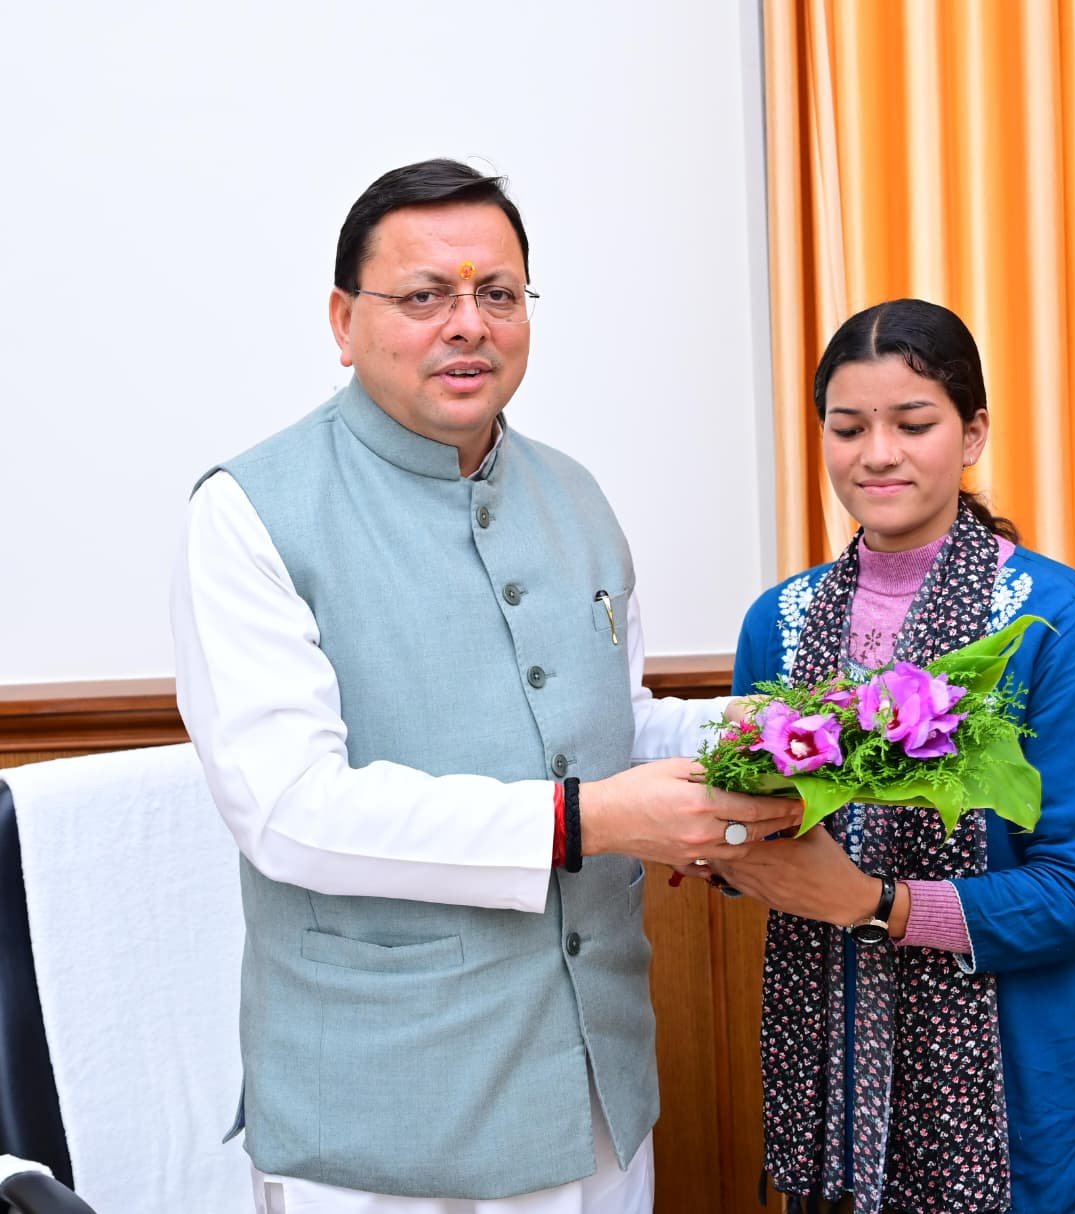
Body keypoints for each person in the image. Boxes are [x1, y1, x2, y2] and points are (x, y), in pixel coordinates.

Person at [171, 158, 797, 1214]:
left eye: (498, 293)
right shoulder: (248, 512)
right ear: (343, 319)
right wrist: (586, 820)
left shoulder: (576, 495)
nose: (469, 324)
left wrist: (778, 733)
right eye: (425, 296)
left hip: (596, 1087)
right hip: (380, 1116)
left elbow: (611, 728)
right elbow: (289, 811)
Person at [714, 299, 1075, 1214]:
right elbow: (758, 826)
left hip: (1015, 1066)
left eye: (913, 424)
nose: (878, 454)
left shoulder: (1052, 620)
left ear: (973, 432)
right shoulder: (778, 624)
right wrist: (721, 849)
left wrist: (876, 904)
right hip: (832, 1056)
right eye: (848, 428)